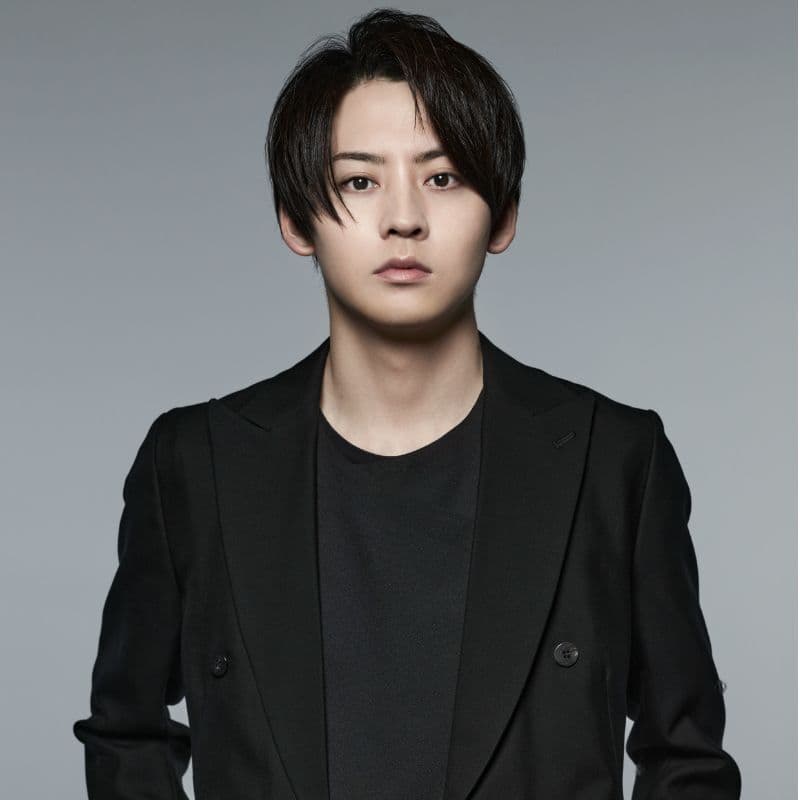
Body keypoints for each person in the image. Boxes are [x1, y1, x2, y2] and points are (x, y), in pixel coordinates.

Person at [73, 8, 742, 799]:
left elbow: (686, 756)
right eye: (359, 180)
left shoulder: (615, 460)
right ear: (295, 219)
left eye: (443, 177)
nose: (403, 219)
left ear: (504, 215)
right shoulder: (195, 465)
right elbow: (126, 734)